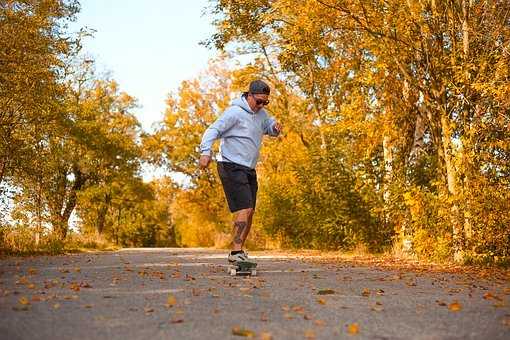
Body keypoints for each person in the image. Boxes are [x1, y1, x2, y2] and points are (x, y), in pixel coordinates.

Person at [199, 80, 282, 264]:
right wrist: (205, 153)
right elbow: (212, 130)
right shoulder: (234, 113)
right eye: (258, 101)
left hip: (248, 168)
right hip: (230, 165)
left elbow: (268, 124)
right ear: (248, 95)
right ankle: (236, 252)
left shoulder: (261, 114)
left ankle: (239, 251)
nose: (261, 106)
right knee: (244, 208)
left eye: (265, 102)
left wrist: (275, 127)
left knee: (250, 210)